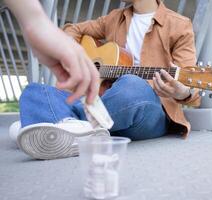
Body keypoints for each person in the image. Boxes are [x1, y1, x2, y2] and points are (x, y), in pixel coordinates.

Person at [11, 0, 201, 160]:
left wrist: (183, 92)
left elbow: (192, 89)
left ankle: (54, 122)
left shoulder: (179, 25)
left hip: (147, 113)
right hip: (105, 109)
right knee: (36, 91)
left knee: (132, 84)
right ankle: (75, 129)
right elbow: (71, 30)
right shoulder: (113, 19)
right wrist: (79, 56)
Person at [4, 0, 99, 104]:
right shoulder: (110, 19)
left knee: (120, 88)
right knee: (34, 92)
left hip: (107, 99)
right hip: (86, 99)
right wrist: (36, 22)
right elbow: (74, 28)